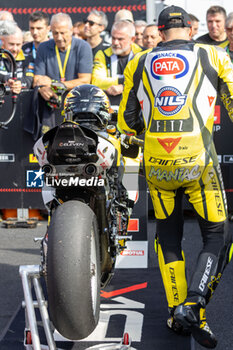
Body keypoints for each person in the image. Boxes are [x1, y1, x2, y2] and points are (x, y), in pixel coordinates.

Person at [117, 5, 233, 349]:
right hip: (198, 161)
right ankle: (194, 304)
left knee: (168, 237)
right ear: (190, 27)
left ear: (161, 30)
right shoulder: (213, 54)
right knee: (219, 234)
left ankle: (175, 314)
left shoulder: (137, 61)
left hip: (156, 163)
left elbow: (128, 122)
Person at [33, 13, 92, 134]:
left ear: (71, 30)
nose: (59, 37)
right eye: (55, 33)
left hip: (76, 107)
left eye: (63, 33)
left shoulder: (83, 47)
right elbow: (37, 79)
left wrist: (55, 84)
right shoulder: (43, 47)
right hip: (50, 109)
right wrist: (42, 88)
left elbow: (85, 80)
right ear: (50, 31)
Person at [92, 20, 142, 109]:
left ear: (132, 39)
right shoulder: (102, 54)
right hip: (109, 107)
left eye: (120, 39)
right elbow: (97, 82)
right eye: (113, 38)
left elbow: (143, 82)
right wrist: (125, 82)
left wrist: (123, 87)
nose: (115, 43)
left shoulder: (141, 54)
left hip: (135, 108)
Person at [0, 23, 34, 93]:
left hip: (20, 102)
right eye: (11, 44)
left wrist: (18, 85)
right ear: (3, 42)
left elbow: (29, 81)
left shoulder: (28, 58)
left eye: (18, 44)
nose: (15, 49)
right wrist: (7, 82)